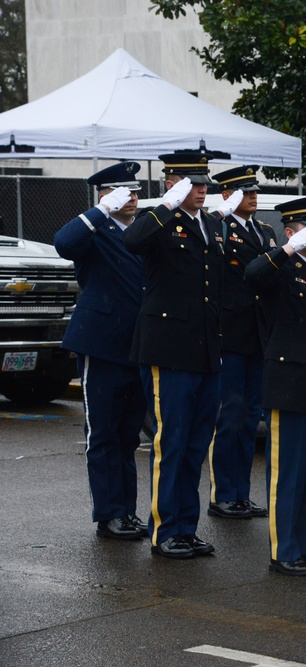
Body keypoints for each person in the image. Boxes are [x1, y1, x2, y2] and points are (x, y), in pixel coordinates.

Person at [122, 150, 225, 560]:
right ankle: (165, 531)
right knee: (173, 441)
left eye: (204, 184)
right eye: (193, 184)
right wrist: (165, 204)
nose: (201, 191)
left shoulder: (211, 225)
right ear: (173, 183)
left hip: (205, 348)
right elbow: (132, 240)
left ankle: (186, 526)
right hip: (169, 348)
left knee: (197, 443)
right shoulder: (161, 222)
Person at [244, 195, 306, 576]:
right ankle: (283, 550)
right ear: (291, 231)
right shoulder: (281, 267)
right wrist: (288, 249)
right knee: (288, 471)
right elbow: (252, 275)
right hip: (289, 380)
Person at [53, 162, 147, 541]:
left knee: (129, 434)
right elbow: (64, 242)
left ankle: (127, 510)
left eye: (136, 191)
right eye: (124, 192)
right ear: (106, 194)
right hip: (101, 343)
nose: (133, 198)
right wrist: (101, 210)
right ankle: (109, 514)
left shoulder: (141, 232)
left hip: (137, 345)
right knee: (103, 432)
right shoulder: (95, 229)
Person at [208, 165, 276, 520]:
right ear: (227, 195)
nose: (252, 196)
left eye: (253, 190)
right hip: (230, 336)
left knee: (250, 417)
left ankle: (241, 493)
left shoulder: (265, 231)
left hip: (258, 336)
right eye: (244, 191)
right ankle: (223, 494)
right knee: (230, 416)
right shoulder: (219, 228)